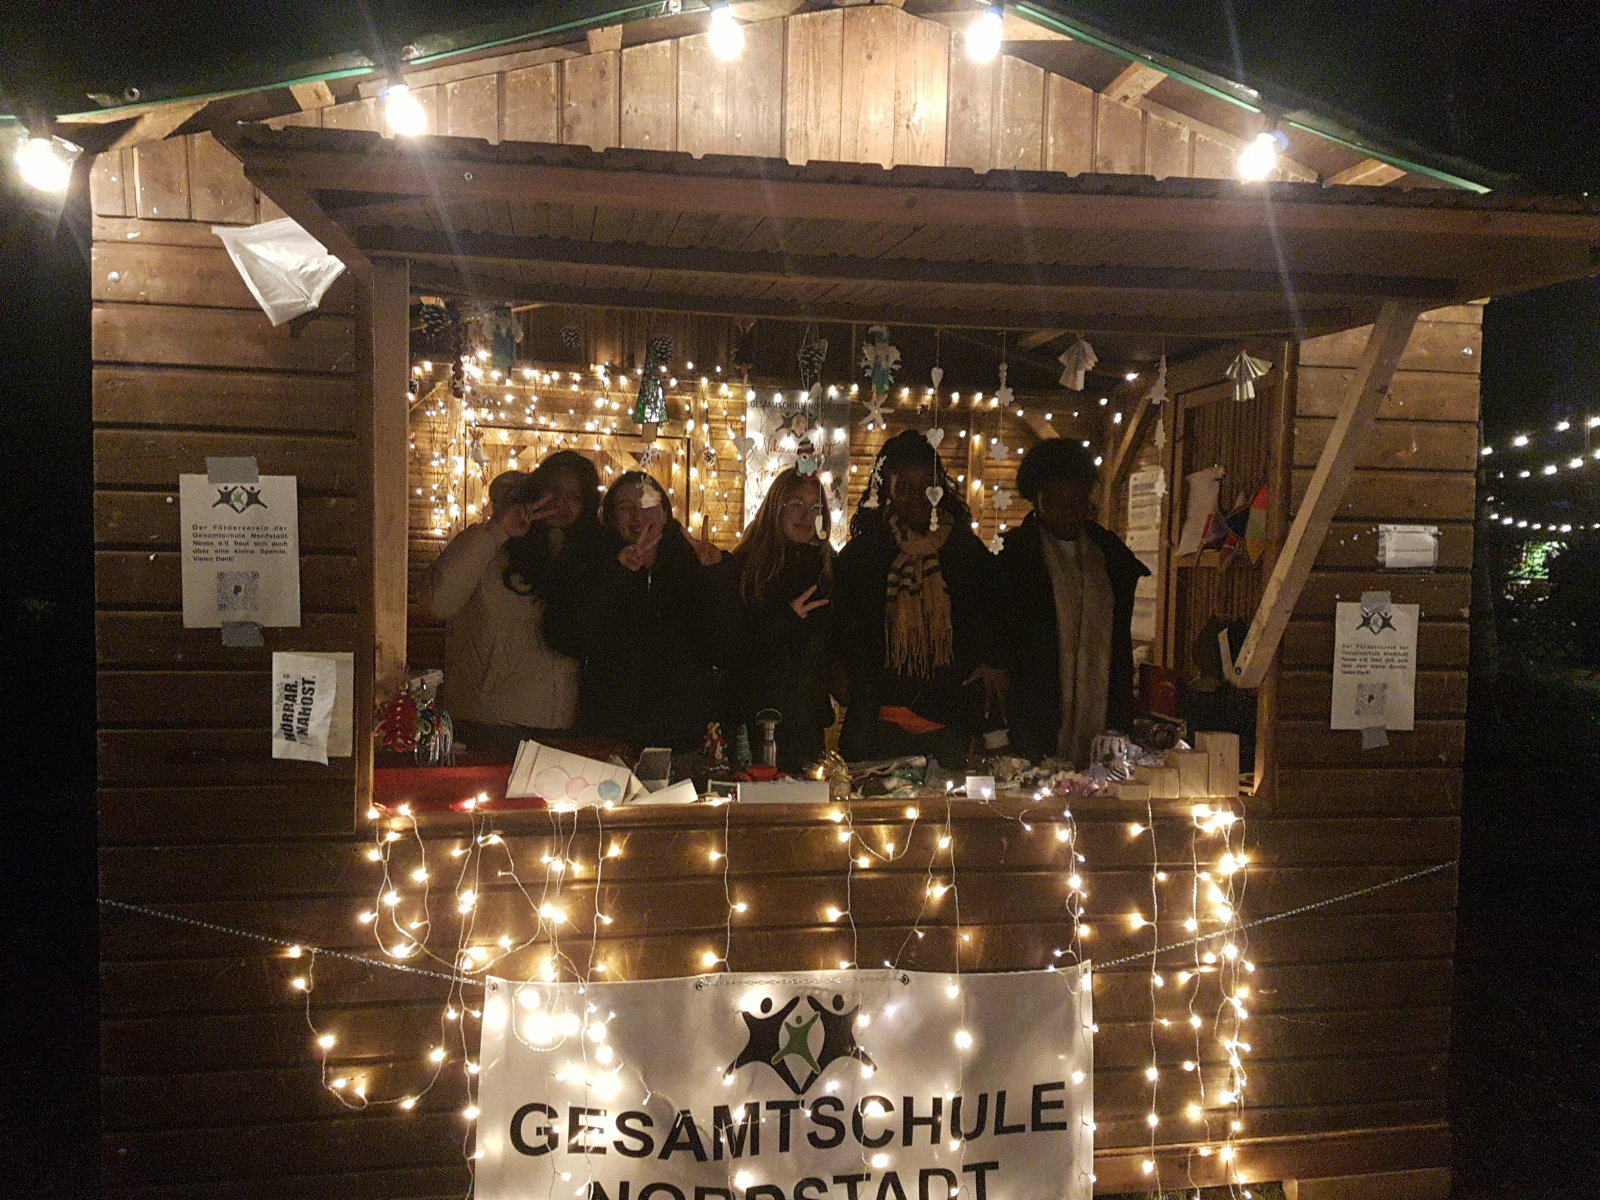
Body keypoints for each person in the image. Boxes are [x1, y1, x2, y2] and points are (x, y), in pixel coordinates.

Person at [831, 429, 1005, 764]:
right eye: (904, 486)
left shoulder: (964, 550)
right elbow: (842, 624)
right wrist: (840, 671)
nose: (916, 497)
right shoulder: (866, 550)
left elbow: (992, 614)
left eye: (926, 486)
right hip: (877, 721)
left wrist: (991, 662)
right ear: (886, 488)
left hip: (950, 719)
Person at [414, 451, 603, 755]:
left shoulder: (587, 557)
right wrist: (497, 530)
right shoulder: (493, 548)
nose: (563, 505)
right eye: (554, 491)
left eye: (575, 497)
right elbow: (436, 602)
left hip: (562, 726)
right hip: (487, 721)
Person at [996, 438, 1150, 763]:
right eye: (1056, 500)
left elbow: (1119, 646)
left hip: (1102, 710)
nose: (1068, 510)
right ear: (1038, 500)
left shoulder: (1109, 556)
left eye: (1077, 499)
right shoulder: (1015, 556)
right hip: (1036, 711)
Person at [549, 470, 725, 753]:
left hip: (684, 730)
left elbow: (721, 645)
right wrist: (616, 574)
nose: (637, 515)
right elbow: (570, 638)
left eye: (648, 505)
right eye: (625, 507)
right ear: (611, 517)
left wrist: (714, 573)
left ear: (665, 514)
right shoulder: (591, 562)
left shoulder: (691, 562)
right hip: (612, 730)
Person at [715, 467, 835, 770]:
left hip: (805, 722)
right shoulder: (745, 567)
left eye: (815, 507)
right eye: (796, 504)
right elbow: (731, 650)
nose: (806, 515)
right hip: (752, 720)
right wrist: (787, 620)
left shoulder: (828, 569)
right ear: (775, 508)